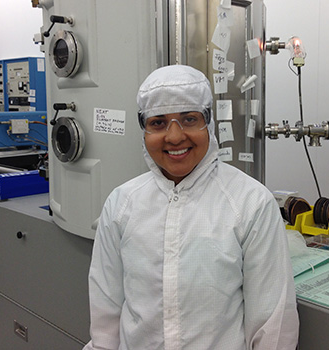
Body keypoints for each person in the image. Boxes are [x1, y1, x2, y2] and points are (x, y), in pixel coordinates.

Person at [83, 65, 299, 350]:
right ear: (144, 130)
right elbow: (105, 315)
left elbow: (272, 325)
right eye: (158, 122)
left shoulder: (250, 203)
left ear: (208, 123)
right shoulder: (122, 204)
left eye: (188, 119)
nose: (174, 137)